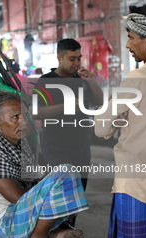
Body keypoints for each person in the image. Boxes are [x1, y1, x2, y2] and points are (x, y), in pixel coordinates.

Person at [0, 92, 89, 238]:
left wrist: (66, 204)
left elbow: (46, 177)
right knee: (65, 173)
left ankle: (51, 235)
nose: (24, 122)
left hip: (23, 221)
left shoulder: (24, 145)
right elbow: (19, 200)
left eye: (25, 115)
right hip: (6, 231)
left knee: (67, 178)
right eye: (15, 117)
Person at [94, 3, 146, 238]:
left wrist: (122, 120)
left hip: (137, 186)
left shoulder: (138, 79)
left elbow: (101, 128)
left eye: (131, 38)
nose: (128, 45)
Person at [34, 38, 103, 191]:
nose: (77, 63)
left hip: (81, 145)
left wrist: (91, 81)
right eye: (72, 59)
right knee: (61, 192)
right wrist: (65, 107)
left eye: (79, 58)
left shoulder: (82, 80)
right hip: (56, 146)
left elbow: (100, 101)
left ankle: (73, 217)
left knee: (78, 192)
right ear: (59, 58)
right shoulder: (46, 81)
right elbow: (35, 112)